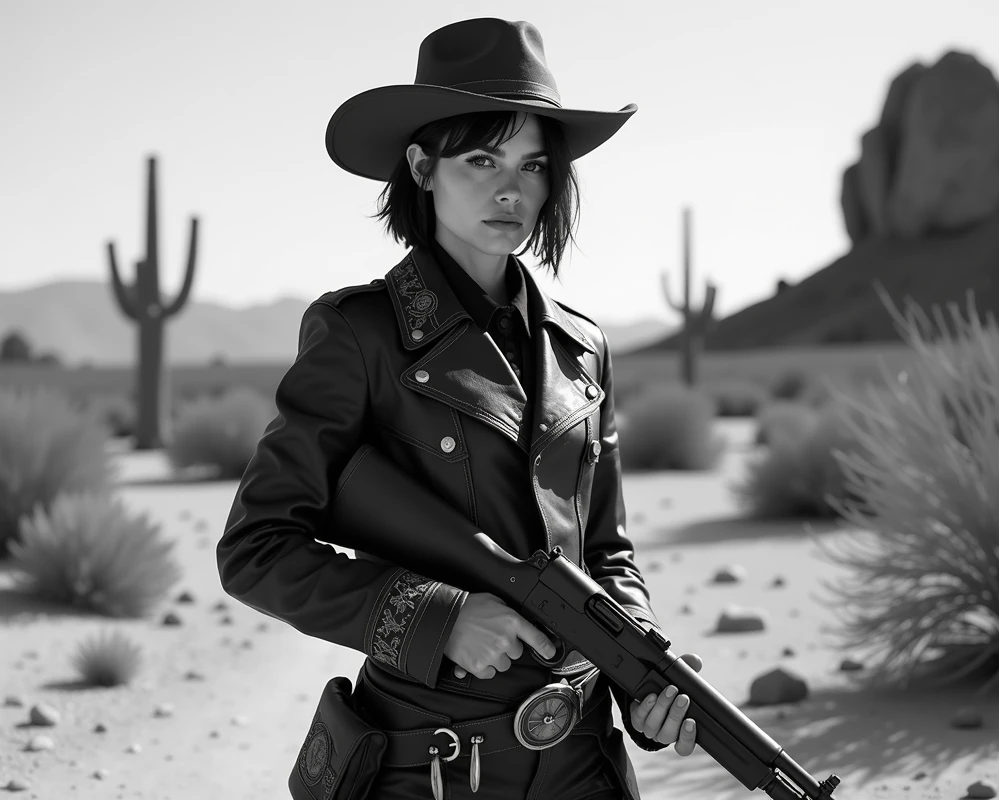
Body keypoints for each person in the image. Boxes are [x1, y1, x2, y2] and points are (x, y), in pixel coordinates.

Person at [217, 17, 703, 800]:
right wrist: (441, 619)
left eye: (533, 164)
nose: (511, 189)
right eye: (482, 159)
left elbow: (606, 549)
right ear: (422, 166)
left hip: (582, 764)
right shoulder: (360, 335)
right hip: (434, 765)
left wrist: (642, 666)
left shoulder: (582, 348)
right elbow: (255, 549)